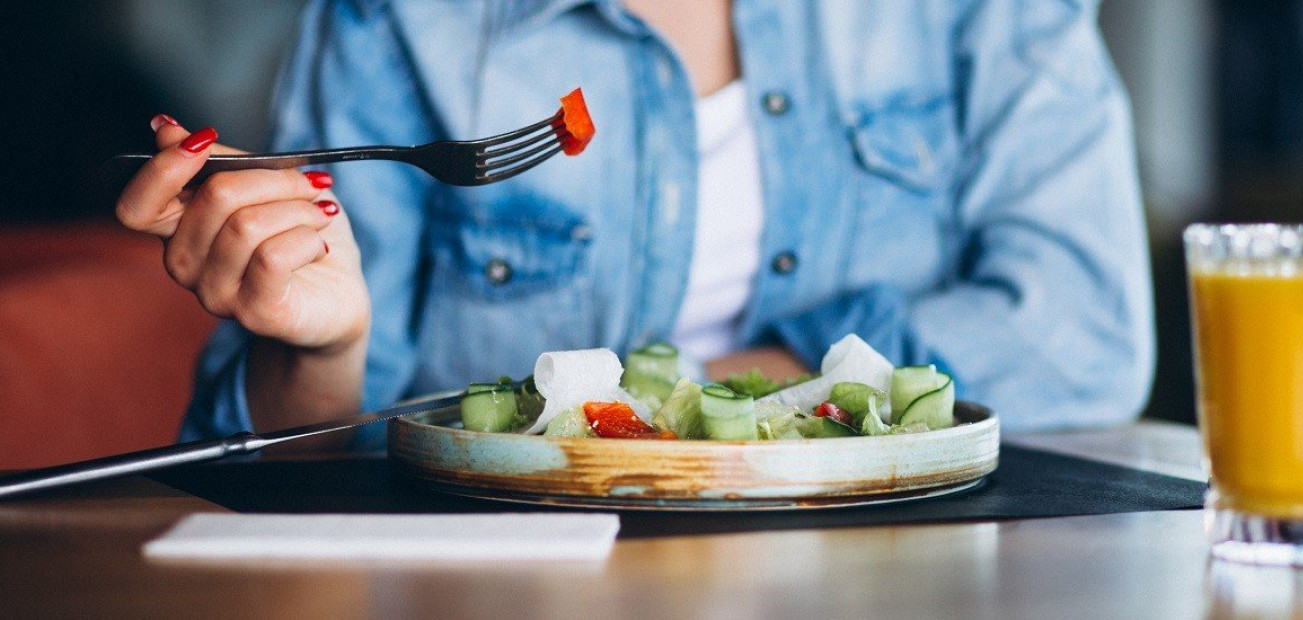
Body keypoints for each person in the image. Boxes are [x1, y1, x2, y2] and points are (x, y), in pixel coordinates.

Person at [115, 0, 1153, 450]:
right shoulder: (393, 23)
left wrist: (744, 396)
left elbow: (1085, 328)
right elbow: (307, 459)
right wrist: (324, 340)